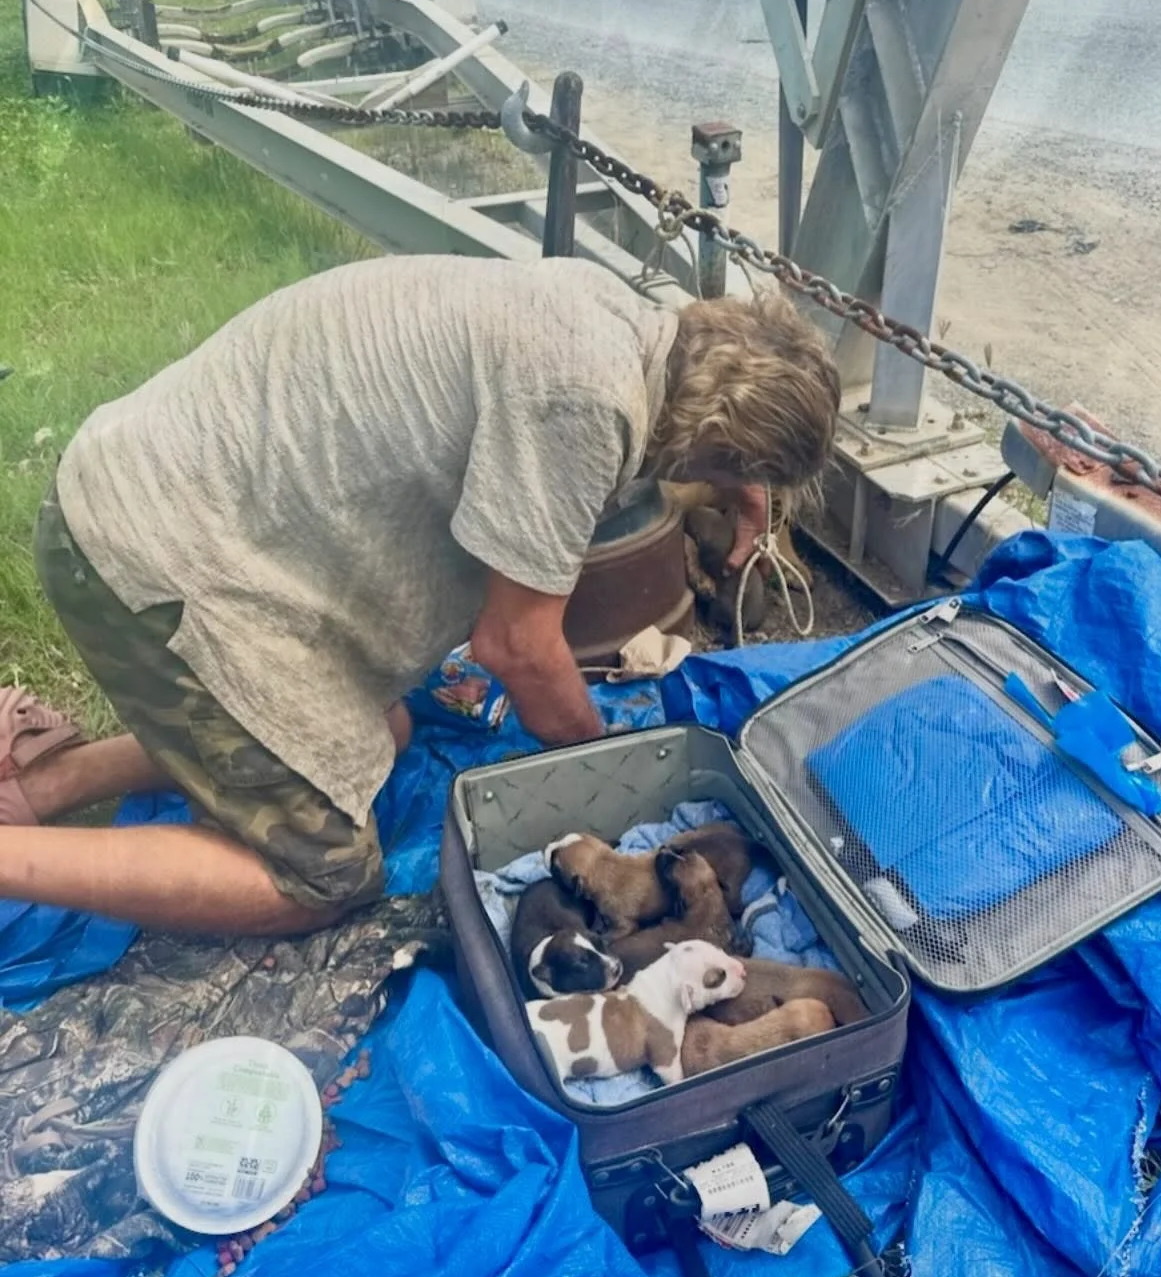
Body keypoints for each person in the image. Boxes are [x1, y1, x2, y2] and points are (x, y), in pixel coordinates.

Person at [0, 257, 840, 938]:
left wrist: (737, 480)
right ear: (716, 440)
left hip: (164, 482)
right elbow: (514, 645)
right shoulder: (584, 403)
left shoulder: (619, 322)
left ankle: (45, 788)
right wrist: (605, 767)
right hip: (145, 555)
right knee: (324, 875)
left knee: (383, 731)